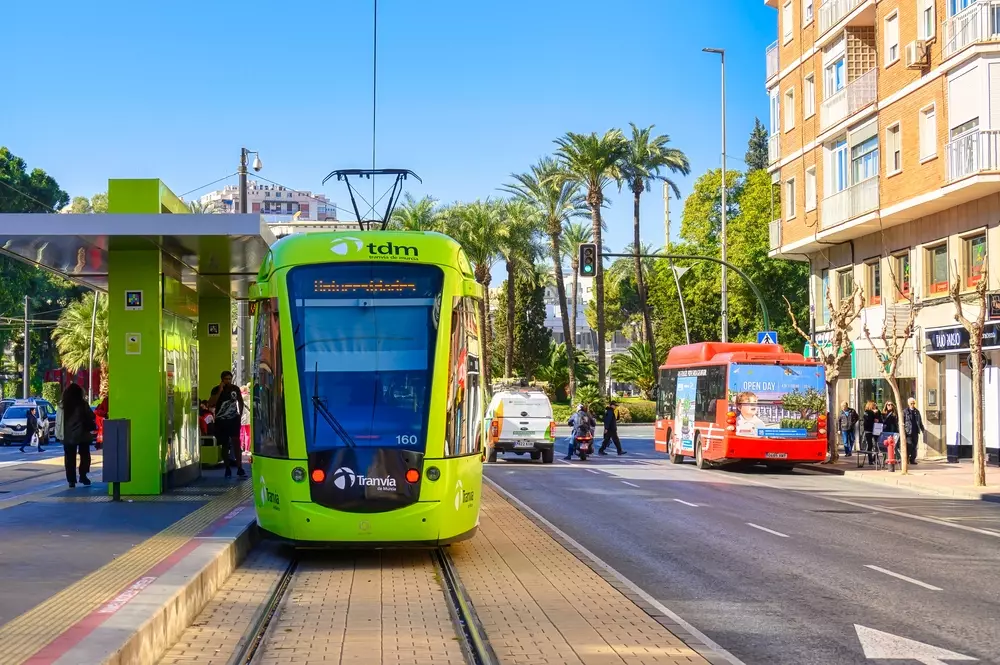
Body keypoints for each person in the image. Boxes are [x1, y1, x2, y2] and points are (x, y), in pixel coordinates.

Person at [209, 371, 245, 478]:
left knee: (236, 442)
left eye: (229, 379)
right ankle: (227, 467)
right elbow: (211, 402)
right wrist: (220, 390)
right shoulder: (216, 389)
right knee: (224, 444)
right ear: (222, 379)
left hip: (233, 419)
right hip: (221, 420)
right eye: (226, 379)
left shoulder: (235, 389)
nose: (228, 381)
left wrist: (240, 415)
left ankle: (239, 467)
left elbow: (240, 402)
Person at [61, 383, 96, 487]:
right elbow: (91, 415)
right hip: (82, 434)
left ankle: (71, 480)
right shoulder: (82, 404)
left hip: (67, 435)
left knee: (69, 458)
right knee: (85, 455)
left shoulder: (63, 405)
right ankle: (83, 475)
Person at [903, 397, 925, 466]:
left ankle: (912, 459)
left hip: (915, 431)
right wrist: (903, 430)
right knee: (909, 445)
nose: (912, 404)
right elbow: (902, 422)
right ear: (908, 404)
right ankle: (906, 458)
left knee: (915, 446)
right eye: (911, 403)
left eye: (913, 403)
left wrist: (922, 429)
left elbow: (920, 421)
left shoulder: (917, 411)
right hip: (908, 432)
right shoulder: (905, 411)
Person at [862, 400, 882, 466]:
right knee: (870, 445)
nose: (875, 406)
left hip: (876, 430)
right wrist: (873, 415)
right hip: (869, 430)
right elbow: (867, 421)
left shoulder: (878, 411)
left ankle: (874, 458)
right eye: (873, 404)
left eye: (875, 404)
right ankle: (870, 460)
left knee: (877, 444)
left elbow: (880, 419)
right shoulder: (867, 412)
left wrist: (877, 418)